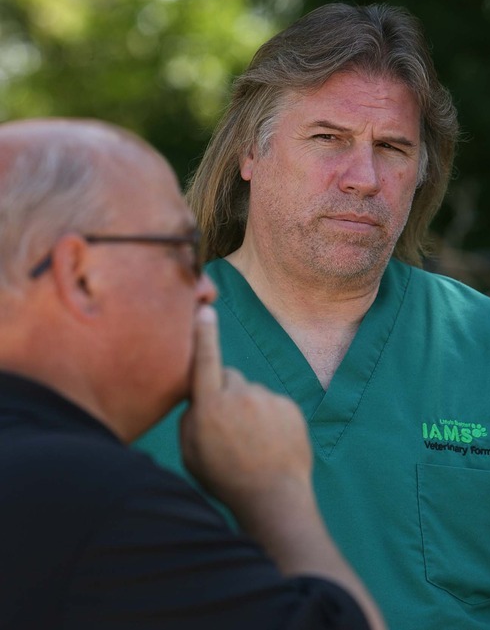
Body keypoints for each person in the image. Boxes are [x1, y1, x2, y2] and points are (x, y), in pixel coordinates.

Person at [136, 2, 490, 630]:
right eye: (327, 138)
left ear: (421, 174)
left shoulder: (486, 347)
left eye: (391, 147)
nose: (362, 178)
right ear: (252, 151)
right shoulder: (133, 343)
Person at [0, 118, 386, 630]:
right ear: (80, 275)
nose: (205, 289)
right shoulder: (105, 508)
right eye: (181, 253)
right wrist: (278, 497)